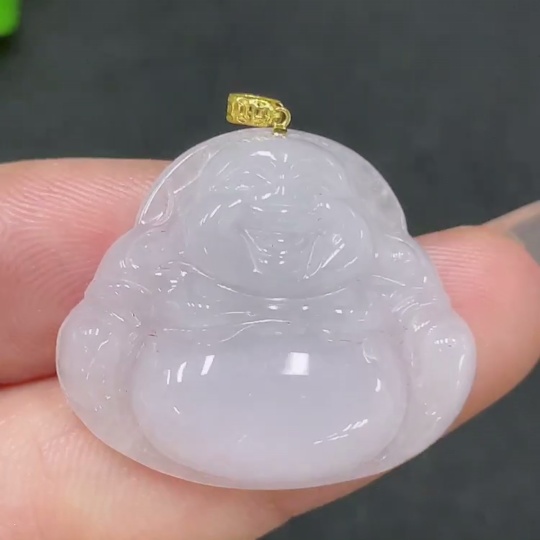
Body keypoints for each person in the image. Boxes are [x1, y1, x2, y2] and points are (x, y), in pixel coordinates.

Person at [0, 158, 538, 539]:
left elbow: (425, 320)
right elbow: (110, 313)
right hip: (187, 398)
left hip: (351, 401)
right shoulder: (162, 253)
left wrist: (433, 349)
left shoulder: (383, 261)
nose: (281, 222)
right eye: (254, 200)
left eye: (307, 204)